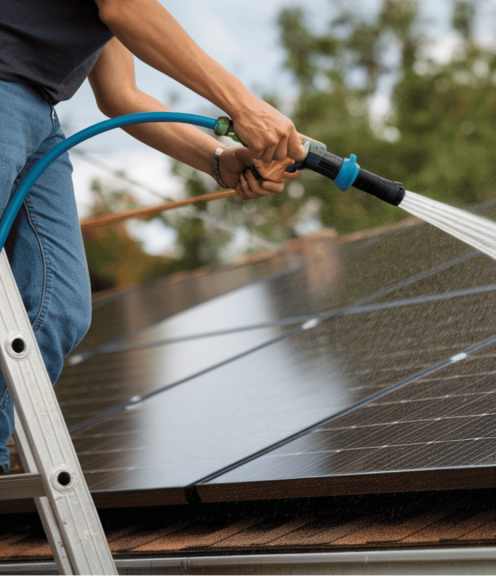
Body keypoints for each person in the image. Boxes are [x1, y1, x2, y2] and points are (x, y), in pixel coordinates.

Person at [0, 0, 305, 473]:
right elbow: (124, 6)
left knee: (55, 306)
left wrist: (219, 160)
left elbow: (120, 93)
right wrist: (245, 105)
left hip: (39, 112)